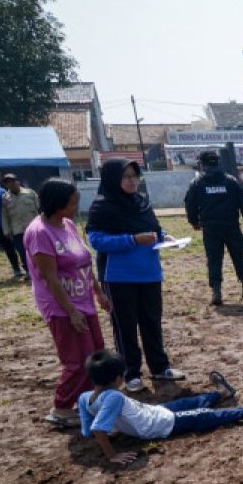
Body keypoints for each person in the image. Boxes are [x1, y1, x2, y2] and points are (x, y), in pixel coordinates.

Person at [87, 160, 186, 392]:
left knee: (152, 323)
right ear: (113, 179)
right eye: (126, 177)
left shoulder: (141, 203)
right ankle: (131, 373)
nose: (132, 181)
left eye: (135, 176)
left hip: (149, 274)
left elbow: (155, 229)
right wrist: (132, 240)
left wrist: (167, 237)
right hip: (119, 277)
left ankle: (160, 368)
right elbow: (97, 241)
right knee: (125, 327)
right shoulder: (102, 207)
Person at [79, 349, 243, 466]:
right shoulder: (113, 397)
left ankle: (222, 393)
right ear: (118, 379)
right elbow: (97, 429)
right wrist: (112, 455)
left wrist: (112, 431)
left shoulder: (85, 397)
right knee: (203, 416)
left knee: (188, 403)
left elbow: (89, 429)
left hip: (153, 411)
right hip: (161, 424)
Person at [24, 179, 110, 428]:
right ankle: (61, 408)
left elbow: (84, 263)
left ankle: (89, 400)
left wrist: (98, 293)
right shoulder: (39, 233)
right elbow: (50, 277)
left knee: (96, 354)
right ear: (57, 204)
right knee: (77, 361)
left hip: (83, 300)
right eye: (72, 203)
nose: (76, 207)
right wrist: (71, 312)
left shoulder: (69, 225)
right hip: (62, 307)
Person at [184, 150, 243, 305]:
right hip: (231, 226)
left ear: (202, 165)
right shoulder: (231, 181)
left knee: (214, 259)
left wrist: (194, 222)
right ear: (218, 163)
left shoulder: (197, 183)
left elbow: (190, 204)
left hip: (210, 229)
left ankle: (216, 292)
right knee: (238, 256)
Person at [0, 174, 39, 275]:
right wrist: (6, 231)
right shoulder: (5, 198)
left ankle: (39, 269)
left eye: (13, 181)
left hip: (34, 228)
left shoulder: (30, 193)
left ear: (17, 181)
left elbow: (39, 208)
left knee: (37, 250)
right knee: (22, 252)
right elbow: (5, 216)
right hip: (17, 230)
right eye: (8, 182)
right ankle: (28, 271)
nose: (11, 184)